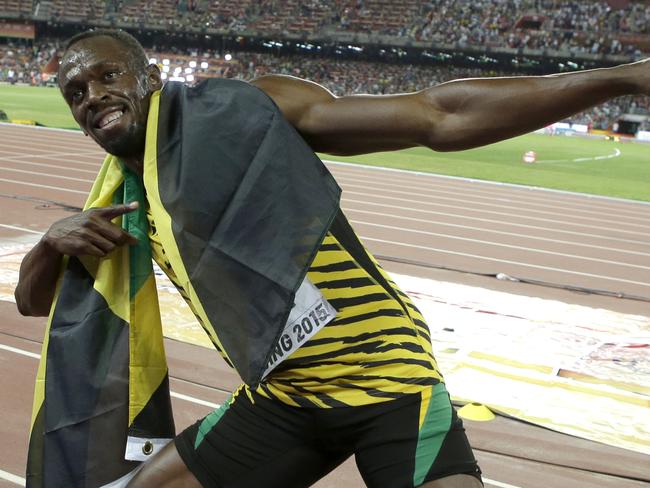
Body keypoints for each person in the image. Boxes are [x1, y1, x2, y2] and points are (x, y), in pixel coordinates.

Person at [14, 28, 649, 488]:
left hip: (387, 378)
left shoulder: (246, 112)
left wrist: (620, 78)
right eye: (76, 91)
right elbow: (33, 303)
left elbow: (436, 117)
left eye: (108, 76)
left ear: (150, 77)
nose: (92, 94)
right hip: (286, 395)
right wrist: (50, 241)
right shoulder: (124, 198)